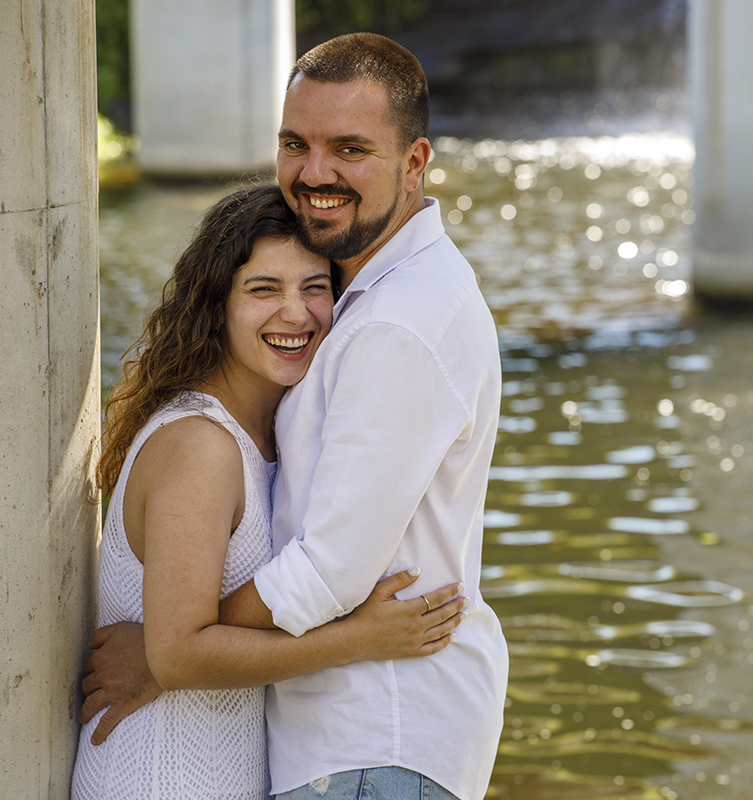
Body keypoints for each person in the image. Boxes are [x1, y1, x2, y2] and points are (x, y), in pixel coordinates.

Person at [82, 32, 509, 800]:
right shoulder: (368, 306)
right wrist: (181, 646)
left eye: (349, 147)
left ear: (415, 163)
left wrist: (165, 649)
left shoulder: (393, 322)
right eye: (295, 144)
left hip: (376, 737)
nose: (315, 173)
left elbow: (328, 571)